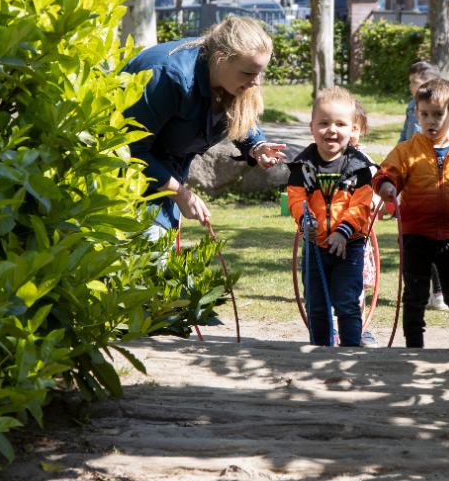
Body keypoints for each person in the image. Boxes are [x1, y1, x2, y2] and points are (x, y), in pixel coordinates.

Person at [122, 17, 288, 236]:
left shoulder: (230, 77)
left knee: (158, 257)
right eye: (248, 73)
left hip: (164, 183)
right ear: (220, 59)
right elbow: (129, 149)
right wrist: (181, 194)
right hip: (122, 187)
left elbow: (239, 116)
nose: (256, 82)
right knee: (146, 260)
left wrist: (256, 145)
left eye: (259, 73)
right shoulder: (167, 76)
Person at [375, 79, 449, 349]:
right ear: (416, 114)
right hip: (415, 236)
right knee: (414, 296)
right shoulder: (406, 150)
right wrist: (386, 184)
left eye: (438, 114)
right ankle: (413, 347)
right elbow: (385, 172)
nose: (431, 121)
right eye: (424, 114)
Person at [287, 87, 377, 347]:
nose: (331, 130)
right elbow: (295, 198)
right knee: (316, 304)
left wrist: (343, 231)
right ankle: (321, 350)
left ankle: (350, 350)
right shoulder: (303, 165)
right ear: (312, 126)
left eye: (340, 123)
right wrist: (305, 220)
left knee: (347, 303)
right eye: (324, 123)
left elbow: (361, 206)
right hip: (315, 246)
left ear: (353, 129)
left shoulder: (359, 167)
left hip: (349, 247)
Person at [397, 61, 447, 311]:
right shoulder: (411, 106)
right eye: (410, 83)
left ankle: (438, 293)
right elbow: (404, 138)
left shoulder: (437, 110)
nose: (410, 87)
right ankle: (425, 292)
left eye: (414, 83)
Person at [350, 100, 378, 348]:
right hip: (324, 237)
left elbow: (375, 194)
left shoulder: (364, 160)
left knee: (357, 286)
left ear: (360, 130)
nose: (344, 133)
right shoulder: (317, 159)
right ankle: (329, 328)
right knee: (325, 285)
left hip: (357, 237)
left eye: (352, 127)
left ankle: (360, 329)